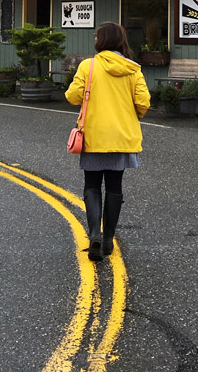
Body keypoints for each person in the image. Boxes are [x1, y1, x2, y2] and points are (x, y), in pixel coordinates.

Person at [65, 22, 150, 261]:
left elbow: (72, 97)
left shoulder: (88, 66)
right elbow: (143, 102)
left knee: (92, 185)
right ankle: (109, 239)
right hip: (121, 137)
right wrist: (130, 115)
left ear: (100, 41)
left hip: (93, 136)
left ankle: (94, 233)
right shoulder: (133, 69)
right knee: (115, 187)